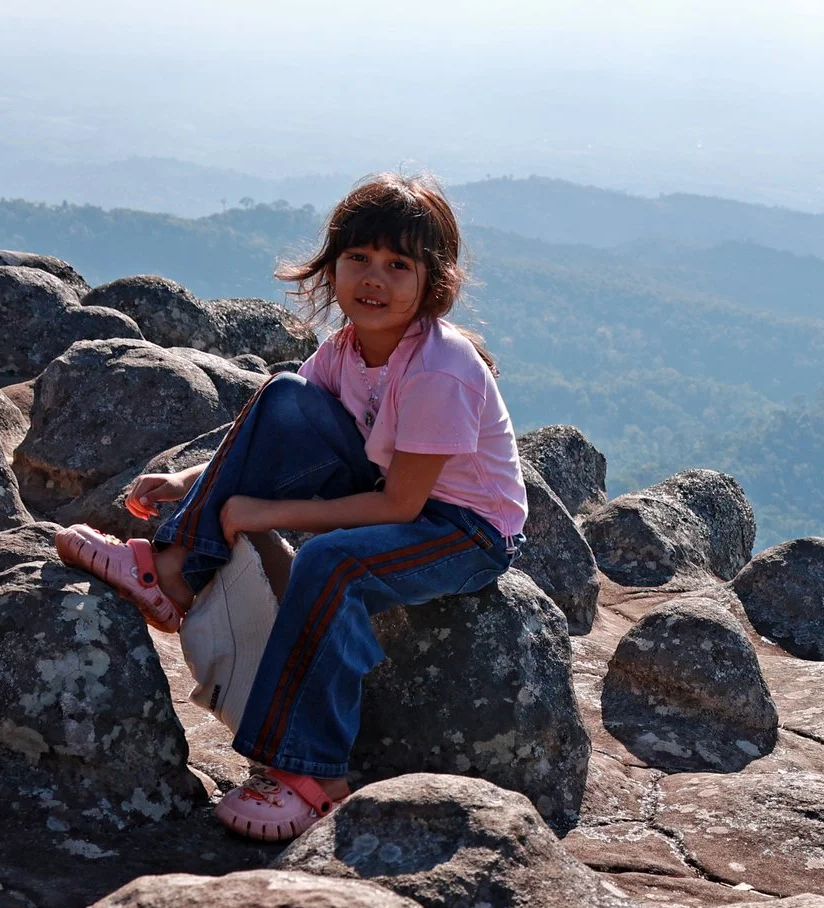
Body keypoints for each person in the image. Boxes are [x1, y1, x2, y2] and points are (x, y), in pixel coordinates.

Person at [54, 173, 526, 842]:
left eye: (399, 265)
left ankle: (312, 774)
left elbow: (402, 503)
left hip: (464, 529)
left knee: (331, 565)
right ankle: (173, 567)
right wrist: (192, 482)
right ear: (331, 266)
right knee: (282, 396)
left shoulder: (439, 368)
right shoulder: (346, 349)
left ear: (434, 283)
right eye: (358, 257)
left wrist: (266, 515)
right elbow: (278, 436)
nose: (374, 278)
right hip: (389, 487)